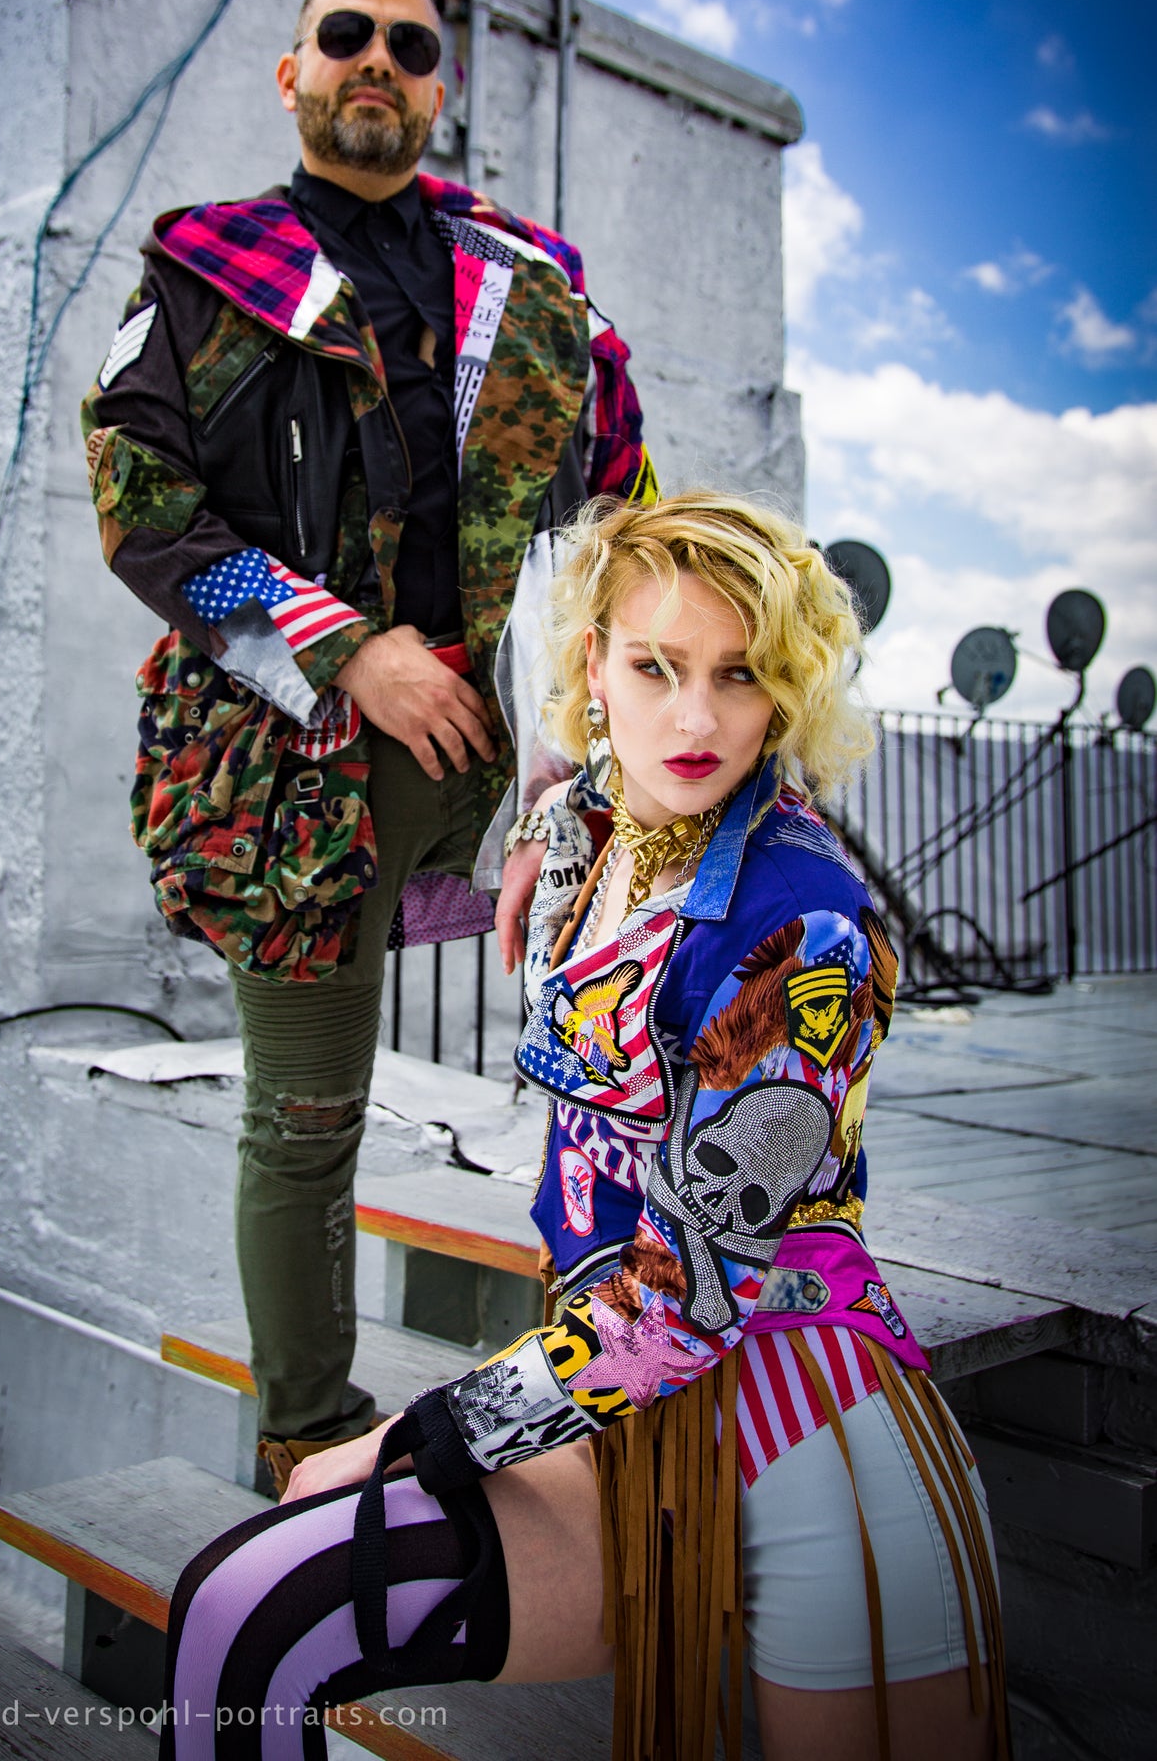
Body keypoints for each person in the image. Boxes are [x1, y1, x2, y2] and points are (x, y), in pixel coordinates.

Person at [158, 493, 1009, 1761]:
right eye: (655, 665)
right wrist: (533, 823)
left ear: (784, 691)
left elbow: (683, 1303)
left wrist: (412, 1434)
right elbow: (566, 790)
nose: (693, 719)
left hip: (807, 1441)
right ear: (594, 666)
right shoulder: (598, 816)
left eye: (739, 674)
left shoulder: (803, 926)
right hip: (613, 1416)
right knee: (244, 1613)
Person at [81, 0, 654, 1492]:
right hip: (298, 765)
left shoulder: (535, 292)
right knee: (307, 1113)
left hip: (526, 751)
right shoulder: (204, 279)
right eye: (347, 36)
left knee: (618, 1060)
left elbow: (621, 505)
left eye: (409, 47)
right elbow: (142, 513)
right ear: (294, 72)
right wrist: (345, 652)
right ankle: (311, 1447)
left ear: (437, 90)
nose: (377, 65)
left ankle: (610, 1399)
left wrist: (587, 716)